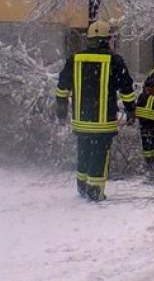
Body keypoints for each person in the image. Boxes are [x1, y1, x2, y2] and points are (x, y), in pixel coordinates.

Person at [55, 20, 137, 202]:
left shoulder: (75, 59)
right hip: (103, 121)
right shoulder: (115, 60)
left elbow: (62, 87)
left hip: (80, 119)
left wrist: (61, 108)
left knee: (83, 151)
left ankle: (82, 186)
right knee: (100, 154)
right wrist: (131, 111)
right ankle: (95, 191)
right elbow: (127, 90)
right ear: (106, 39)